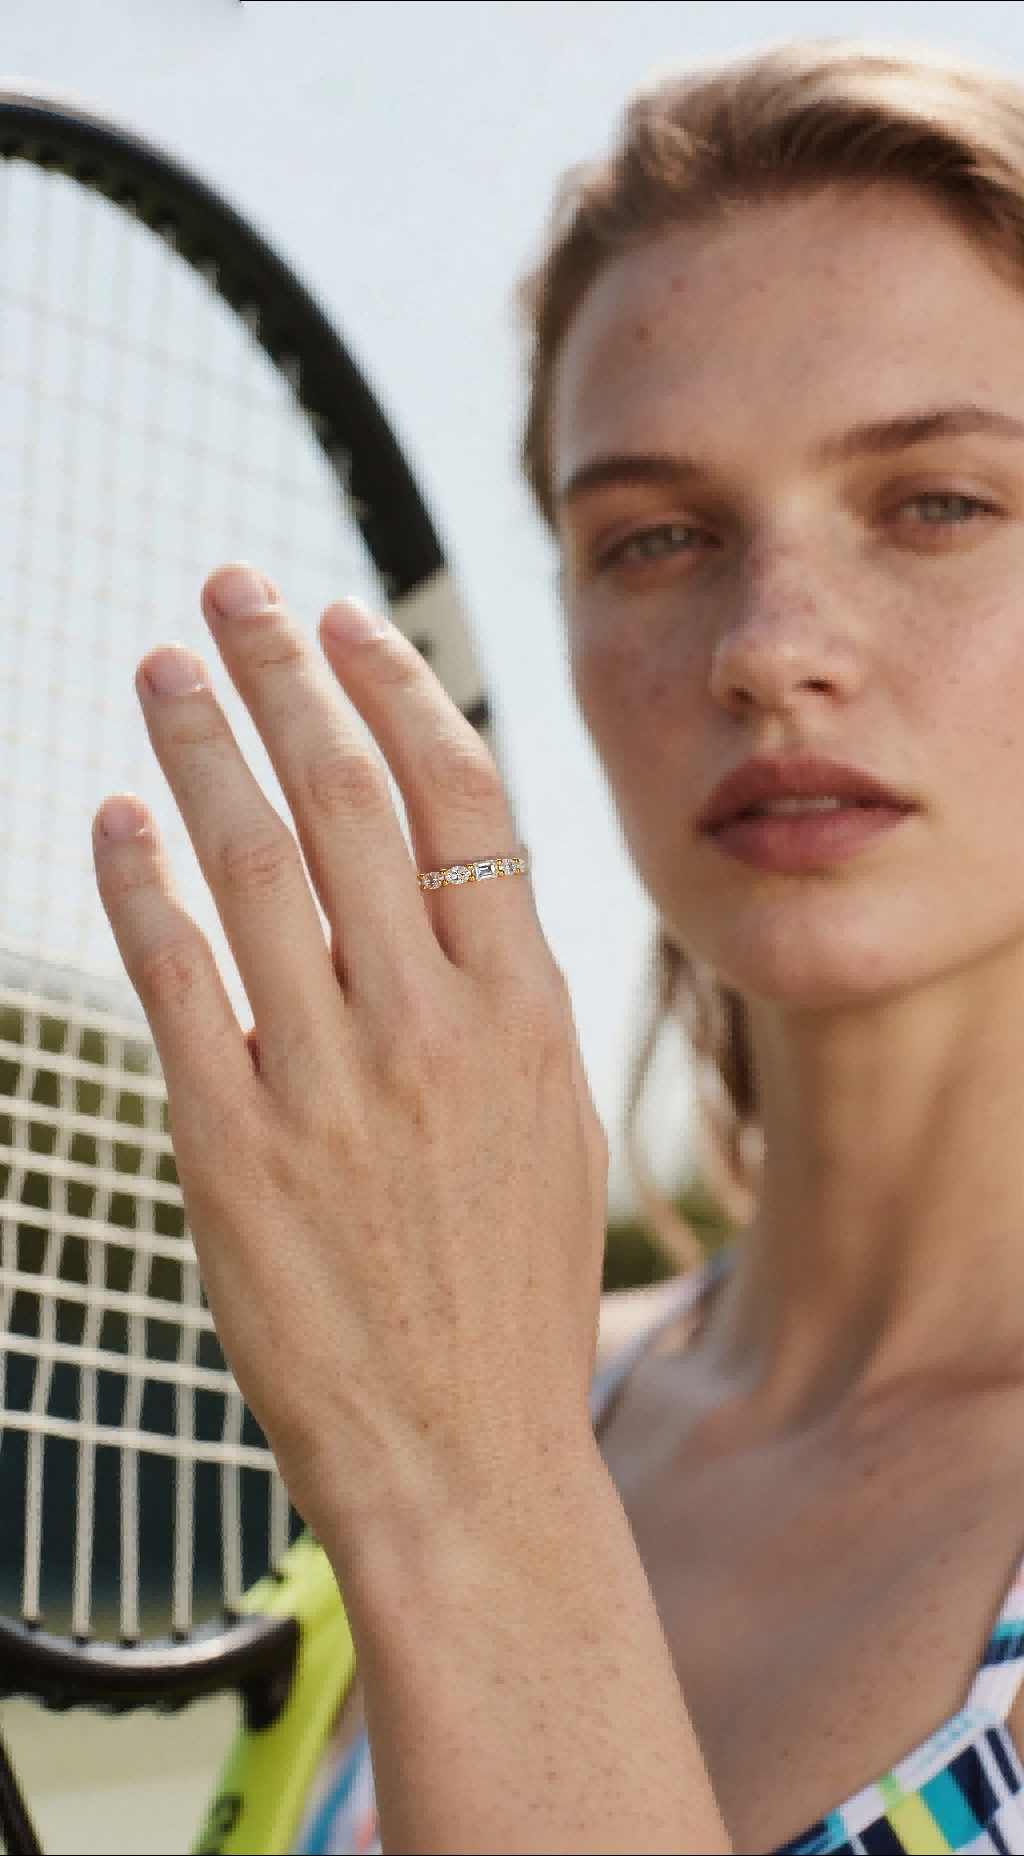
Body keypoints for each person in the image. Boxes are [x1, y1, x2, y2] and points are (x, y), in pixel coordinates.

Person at [90, 34, 1024, 1854]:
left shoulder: (456, 1428)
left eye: (939, 501)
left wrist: (472, 1496)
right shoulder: (472, 1383)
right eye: (657, 538)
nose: (770, 642)